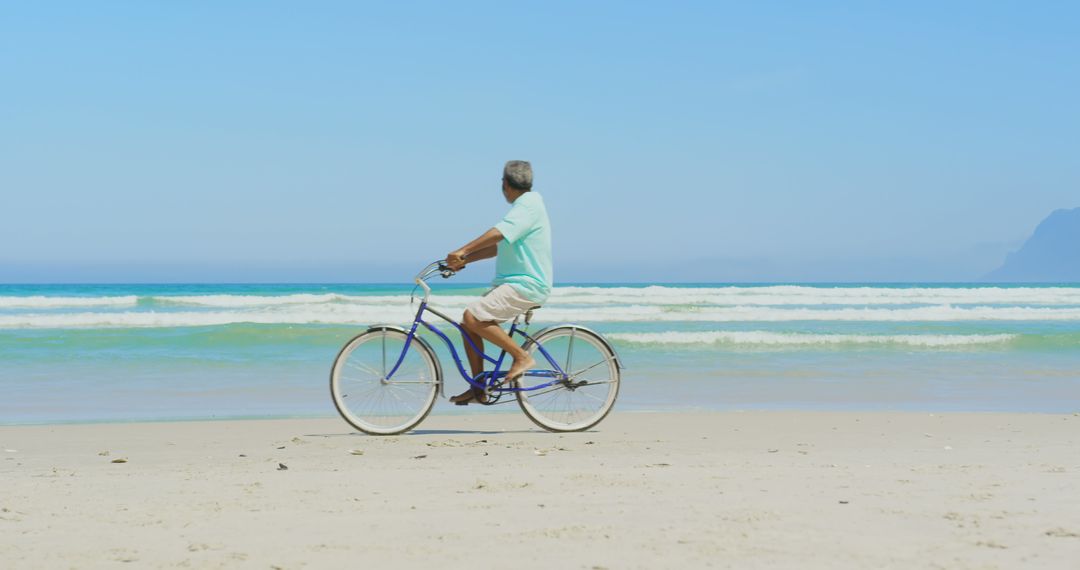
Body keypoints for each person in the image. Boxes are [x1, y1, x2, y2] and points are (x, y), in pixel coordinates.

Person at [444, 160, 553, 405]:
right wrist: (465, 260)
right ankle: (478, 388)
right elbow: (498, 247)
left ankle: (521, 357)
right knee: (468, 324)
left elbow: (498, 234)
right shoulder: (526, 207)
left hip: (527, 284)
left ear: (505, 184)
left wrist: (462, 250)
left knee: (473, 317)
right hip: (516, 284)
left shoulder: (528, 205)